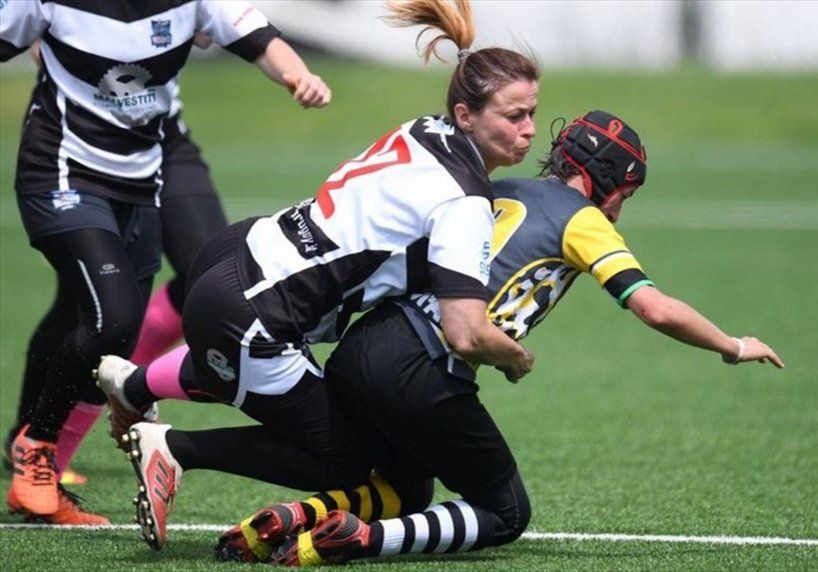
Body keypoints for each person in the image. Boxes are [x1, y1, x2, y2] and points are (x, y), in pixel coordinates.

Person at [215, 110, 784, 566]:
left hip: (362, 347)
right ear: (602, 180)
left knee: (406, 488)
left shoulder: (491, 185)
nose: (619, 209)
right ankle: (354, 543)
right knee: (505, 511)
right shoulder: (584, 220)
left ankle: (289, 522)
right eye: (624, 195)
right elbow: (655, 309)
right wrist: (731, 346)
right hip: (423, 366)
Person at [95, 0, 540, 551]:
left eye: (532, 114)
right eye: (514, 116)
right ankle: (176, 448)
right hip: (257, 315)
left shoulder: (423, 130)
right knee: (348, 457)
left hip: (238, 253)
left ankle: (134, 384)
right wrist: (513, 356)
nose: (529, 131)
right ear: (466, 114)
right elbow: (465, 330)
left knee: (258, 379)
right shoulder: (465, 200)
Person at [1, 0, 332, 524]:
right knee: (112, 316)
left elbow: (260, 39)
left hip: (146, 171)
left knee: (117, 309)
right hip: (61, 172)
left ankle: (114, 399)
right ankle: (37, 449)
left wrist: (299, 77)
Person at [2, 34, 227, 491]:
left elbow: (211, 28)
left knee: (214, 274)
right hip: (84, 150)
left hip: (163, 139)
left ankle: (126, 380)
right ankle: (32, 439)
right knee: (89, 306)